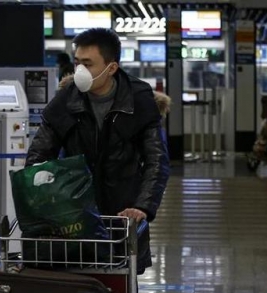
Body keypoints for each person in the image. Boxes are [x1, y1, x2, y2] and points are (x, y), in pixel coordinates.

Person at [27, 27, 170, 276]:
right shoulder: (64, 102)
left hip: (122, 217)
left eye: (88, 64)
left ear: (111, 68)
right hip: (74, 217)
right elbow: (39, 155)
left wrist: (142, 207)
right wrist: (46, 197)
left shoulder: (139, 102)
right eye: (77, 63)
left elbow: (157, 159)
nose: (80, 70)